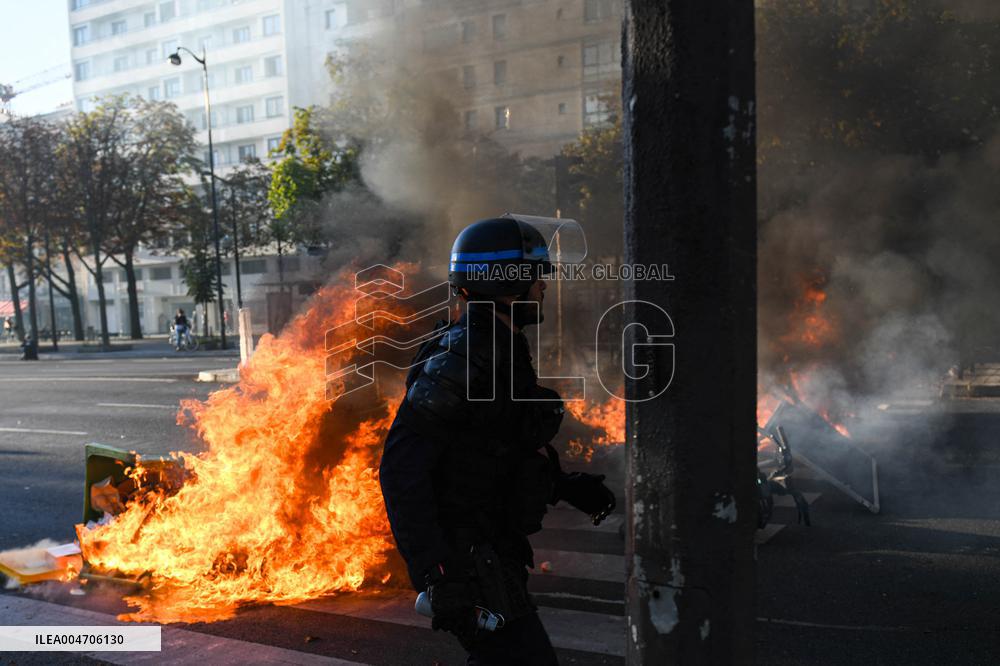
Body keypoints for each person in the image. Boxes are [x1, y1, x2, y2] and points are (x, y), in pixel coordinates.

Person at [379, 217, 615, 665]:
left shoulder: (502, 348)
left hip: (492, 550)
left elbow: (490, 450)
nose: (544, 285)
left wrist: (564, 486)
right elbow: (401, 469)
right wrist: (438, 572)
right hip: (468, 559)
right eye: (536, 274)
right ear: (506, 280)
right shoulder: (465, 357)